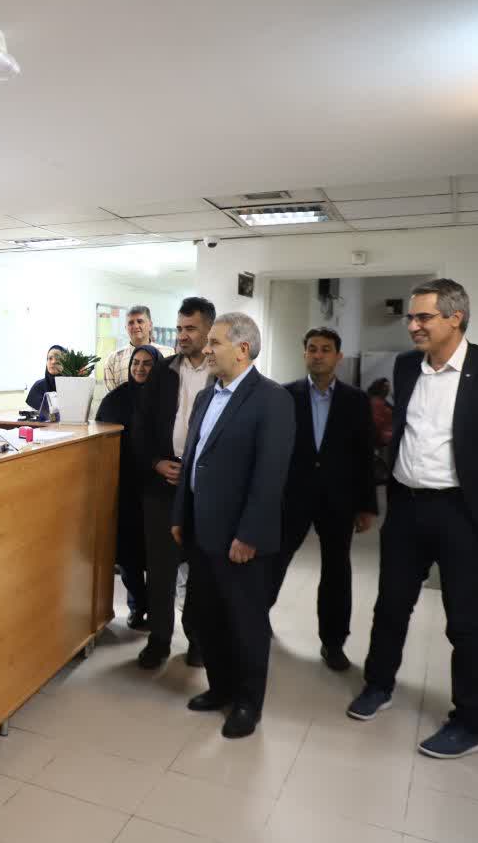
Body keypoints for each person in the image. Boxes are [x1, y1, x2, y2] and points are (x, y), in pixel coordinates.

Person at [348, 279, 478, 760]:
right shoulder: (407, 367)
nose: (413, 326)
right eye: (411, 316)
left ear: (455, 318)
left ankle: (469, 723)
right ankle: (378, 685)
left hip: (462, 513)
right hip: (406, 506)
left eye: (423, 317)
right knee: (391, 605)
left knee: (464, 620)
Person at [171, 313, 293, 739]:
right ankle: (220, 688)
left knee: (245, 624)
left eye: (215, 343)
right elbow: (192, 460)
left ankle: (247, 703)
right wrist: (180, 516)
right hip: (201, 531)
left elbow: (270, 475)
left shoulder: (272, 399)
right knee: (207, 618)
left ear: (242, 349)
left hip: (240, 537)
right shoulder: (208, 395)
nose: (206, 349)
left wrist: (250, 534)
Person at [270, 328, 377, 671]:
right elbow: (273, 451)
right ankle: (256, 617)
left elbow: (364, 454)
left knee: (336, 570)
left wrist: (366, 505)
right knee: (274, 560)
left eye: (325, 349)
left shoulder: (356, 400)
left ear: (338, 357)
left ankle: (333, 642)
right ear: (304, 354)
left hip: (337, 499)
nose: (318, 355)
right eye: (312, 349)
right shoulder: (284, 395)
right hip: (292, 497)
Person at [131, 297, 215, 669]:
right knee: (161, 569)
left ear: (209, 330)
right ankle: (159, 641)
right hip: (163, 483)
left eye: (191, 328)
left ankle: (197, 640)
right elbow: (142, 426)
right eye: (180, 328)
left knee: (200, 569)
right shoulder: (163, 371)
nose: (182, 335)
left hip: (204, 487)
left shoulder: (221, 371)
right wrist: (155, 462)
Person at [95, 344, 160, 628]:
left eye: (147, 363)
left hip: (158, 486)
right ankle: (137, 606)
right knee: (128, 552)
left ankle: (157, 610)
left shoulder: (168, 398)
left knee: (157, 554)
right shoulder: (116, 399)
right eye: (136, 363)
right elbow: (101, 439)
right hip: (125, 487)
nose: (140, 368)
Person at [103, 306, 175, 392]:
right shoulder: (113, 359)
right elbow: (111, 396)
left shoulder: (168, 353)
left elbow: (173, 389)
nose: (136, 326)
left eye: (140, 321)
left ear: (150, 325)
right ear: (126, 328)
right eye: (131, 323)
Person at [25, 345, 66, 420]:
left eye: (58, 359)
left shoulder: (72, 385)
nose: (53, 362)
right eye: (50, 358)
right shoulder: (38, 386)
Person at [368, 378, 394, 448]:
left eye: (388, 387)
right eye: (385, 387)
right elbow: (376, 423)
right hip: (384, 439)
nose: (388, 389)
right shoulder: (376, 402)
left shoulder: (382, 401)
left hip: (387, 436)